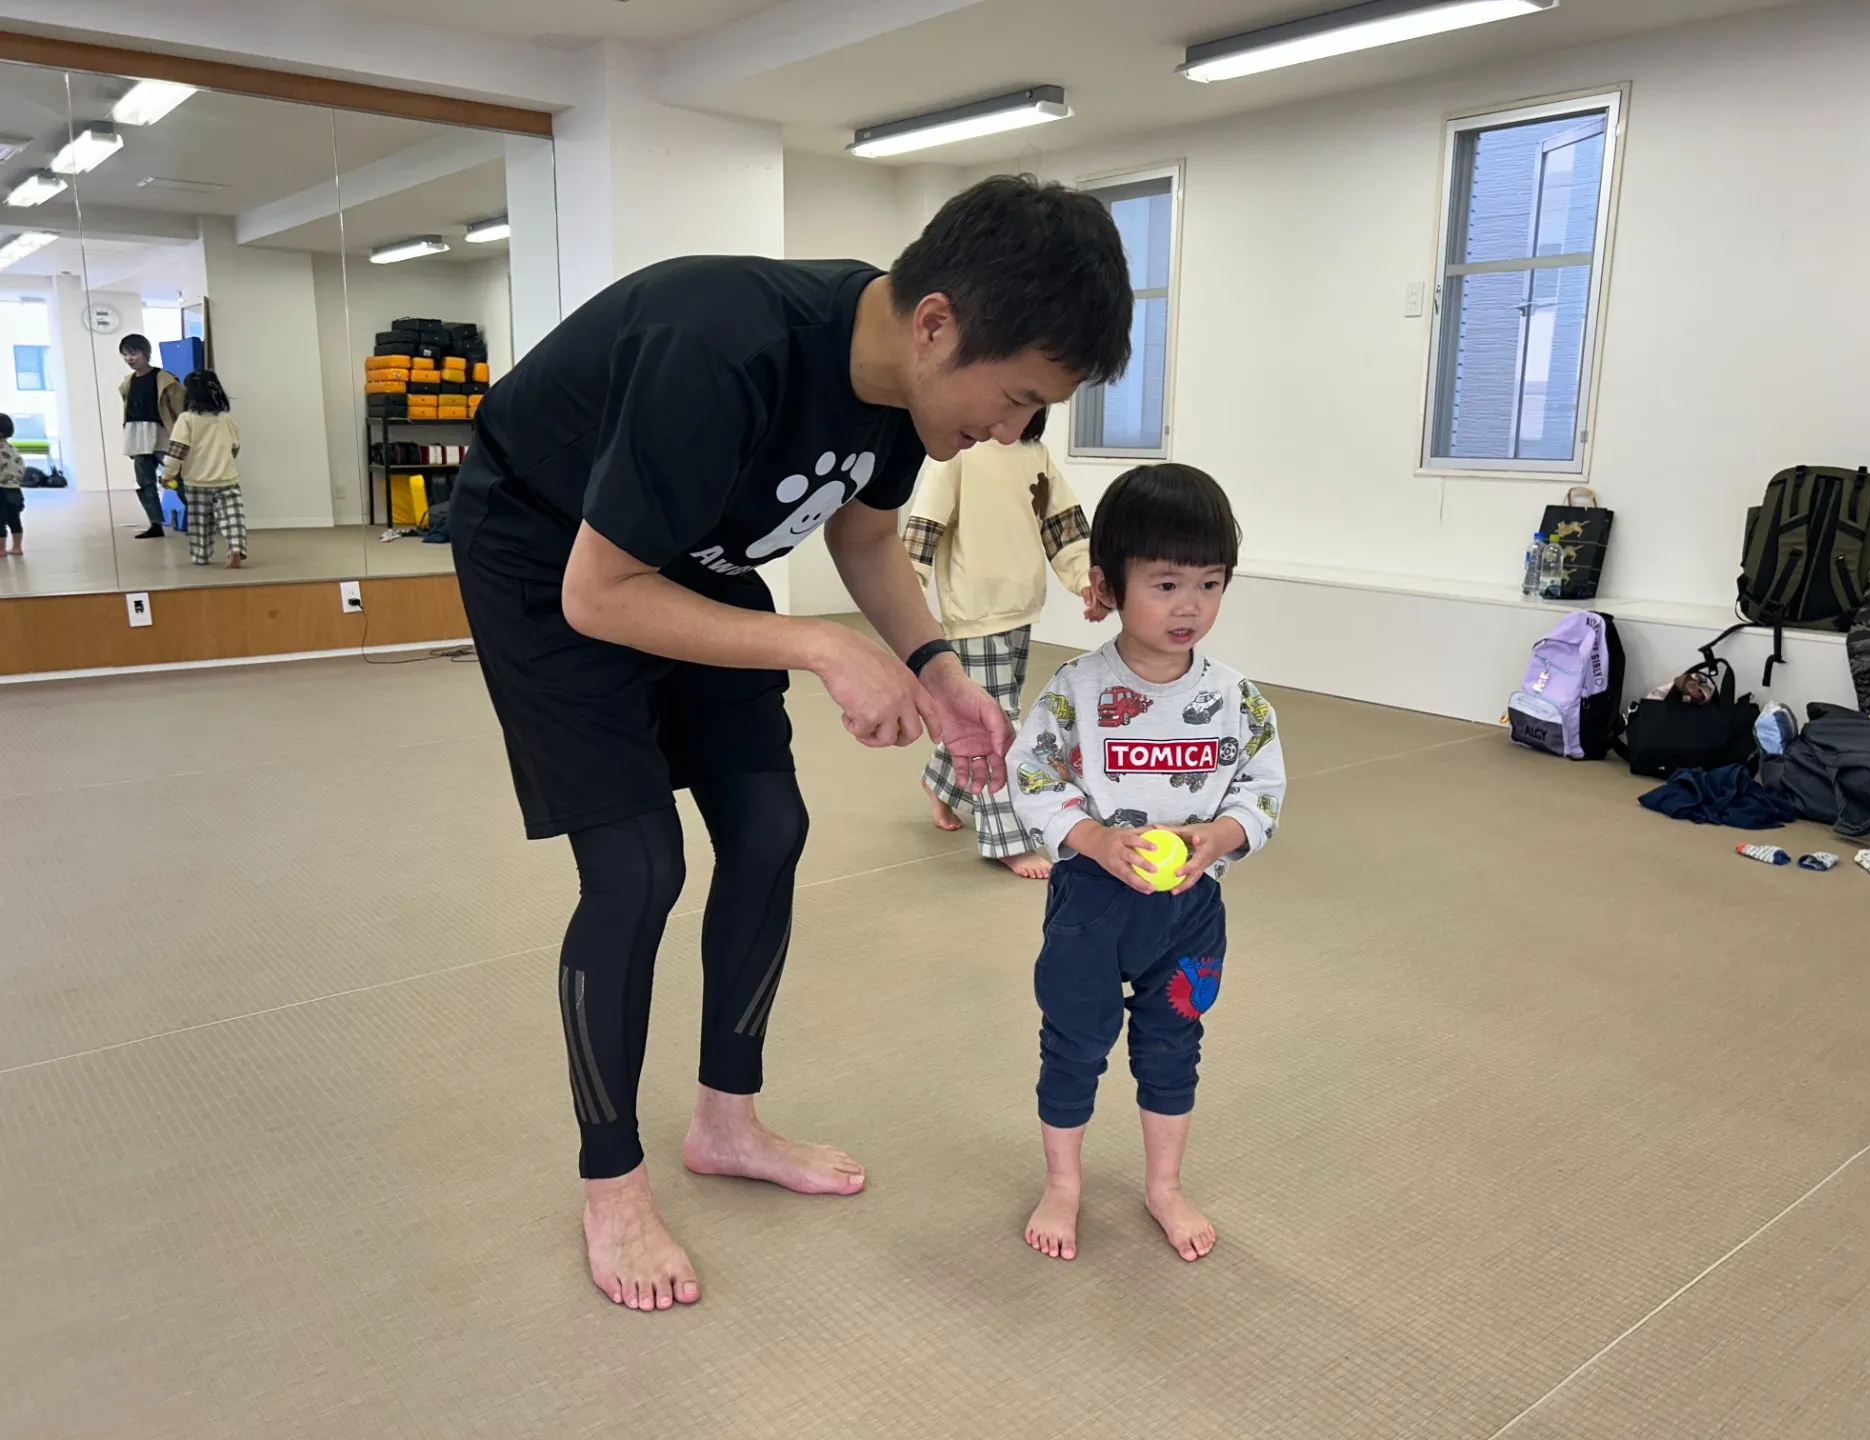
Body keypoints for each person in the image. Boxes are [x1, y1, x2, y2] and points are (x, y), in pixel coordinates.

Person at [449, 174, 1134, 1313]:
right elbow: (601, 592)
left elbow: (867, 540)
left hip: (698, 562)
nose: (1009, 434)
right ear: (936, 324)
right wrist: (813, 647)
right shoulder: (719, 353)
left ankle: (726, 1119)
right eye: (1014, 399)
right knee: (637, 866)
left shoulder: (904, 402)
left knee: (769, 823)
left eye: (1034, 416)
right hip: (548, 556)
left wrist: (938, 669)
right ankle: (611, 1178)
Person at [1006, 464, 1287, 1264]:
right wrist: (1092, 839)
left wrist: (1222, 837)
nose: (1189, 605)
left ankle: (1163, 1185)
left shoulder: (1240, 699)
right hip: (1093, 906)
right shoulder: (1076, 690)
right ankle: (1064, 1183)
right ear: (1108, 584)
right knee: (1074, 1042)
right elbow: (1031, 775)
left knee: (1174, 1046)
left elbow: (1263, 789)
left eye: (1210, 582)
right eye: (1165, 584)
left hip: (1188, 913)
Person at [906, 406, 1104, 879]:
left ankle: (939, 782)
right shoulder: (956, 453)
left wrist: (1087, 581)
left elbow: (1066, 526)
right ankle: (1005, 841)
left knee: (989, 713)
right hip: (973, 614)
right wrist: (906, 600)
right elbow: (923, 529)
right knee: (999, 726)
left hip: (1021, 608)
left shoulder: (1035, 454)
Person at [160, 371, 247, 568]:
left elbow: (176, 452)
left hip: (196, 481)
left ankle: (201, 555)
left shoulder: (186, 419)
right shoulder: (226, 419)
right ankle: (235, 548)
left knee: (200, 522)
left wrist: (168, 475)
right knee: (233, 516)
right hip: (227, 478)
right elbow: (235, 447)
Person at [118, 335, 186, 540]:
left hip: (163, 435)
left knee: (178, 478)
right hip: (137, 436)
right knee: (145, 482)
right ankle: (155, 523)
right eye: (125, 354)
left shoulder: (166, 379)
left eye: (134, 353)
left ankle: (200, 518)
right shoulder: (128, 382)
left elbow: (180, 411)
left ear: (145, 354)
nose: (130, 358)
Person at [0, 413, 24, 556]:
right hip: (14, 489)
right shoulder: (13, 449)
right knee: (14, 519)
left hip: (1, 490)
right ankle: (17, 547)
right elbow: (21, 468)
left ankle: (1, 549)